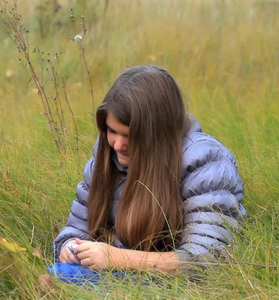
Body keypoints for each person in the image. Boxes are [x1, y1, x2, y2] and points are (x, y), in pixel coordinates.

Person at [49, 65, 245, 284]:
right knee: (38, 278)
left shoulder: (206, 164)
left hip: (177, 286)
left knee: (52, 280)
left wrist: (118, 258)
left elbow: (207, 260)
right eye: (112, 131)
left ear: (158, 132)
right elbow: (76, 228)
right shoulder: (105, 159)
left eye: (131, 136)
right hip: (116, 278)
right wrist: (69, 247)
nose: (118, 145)